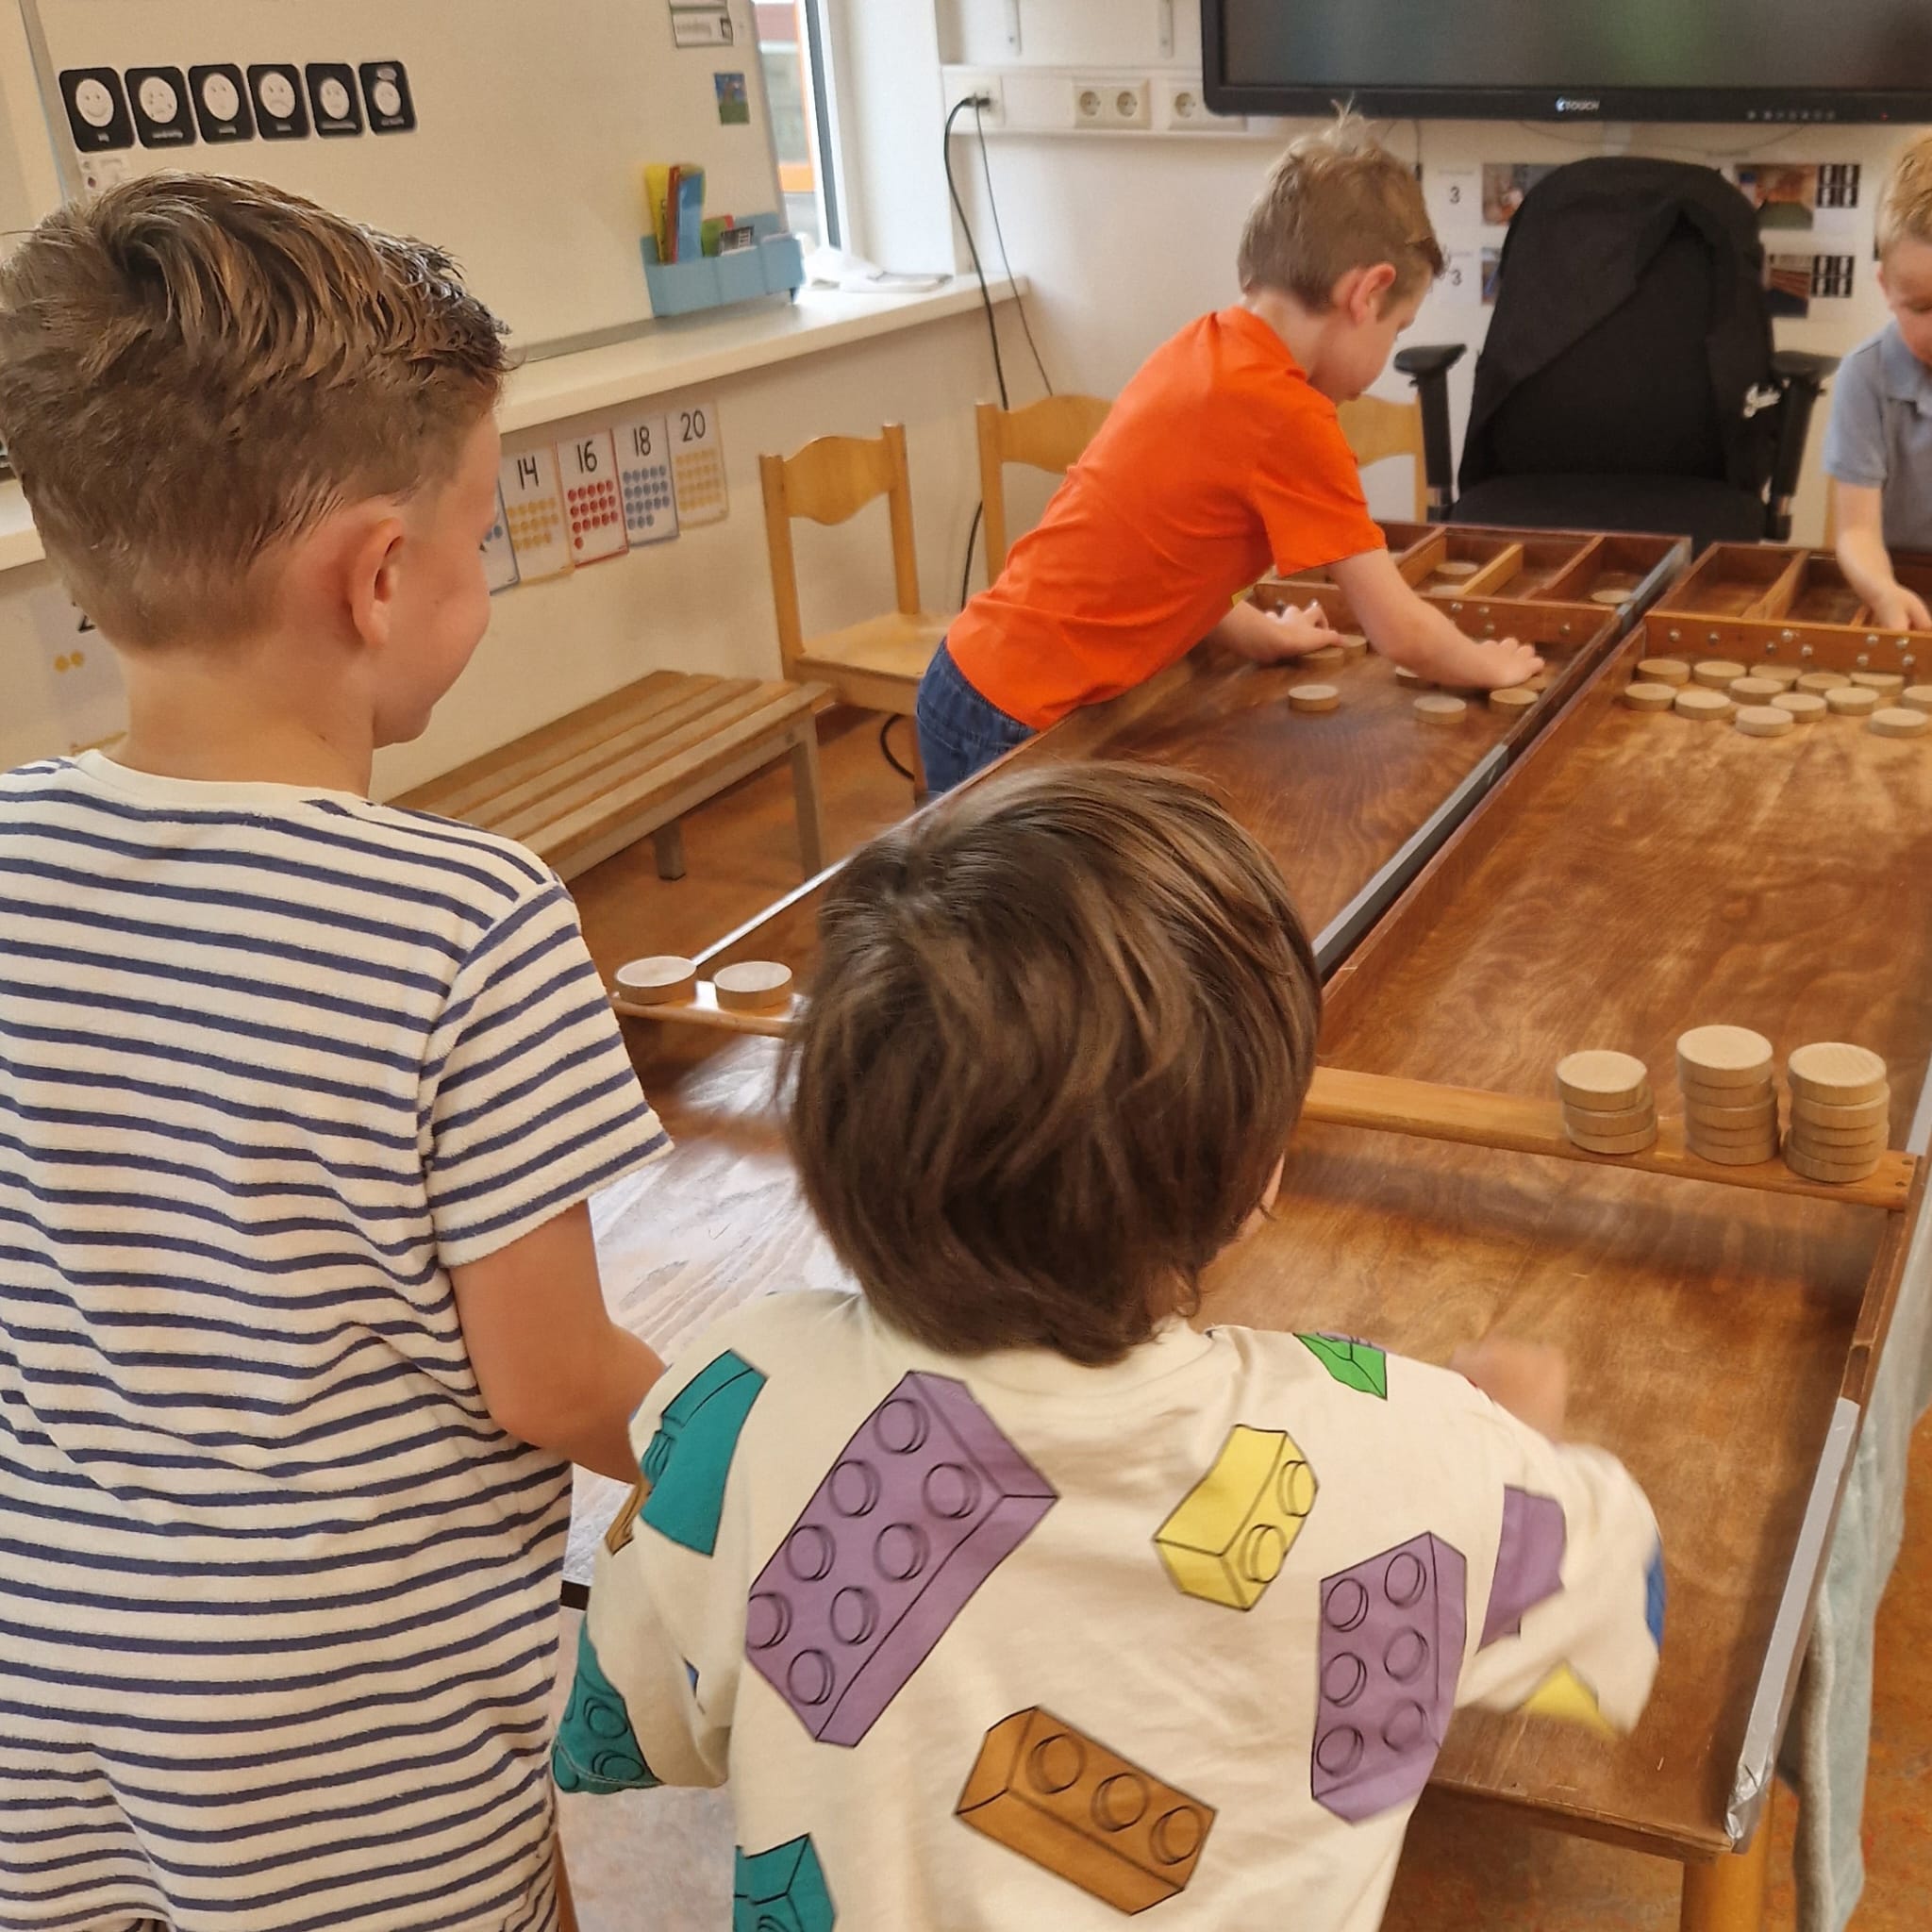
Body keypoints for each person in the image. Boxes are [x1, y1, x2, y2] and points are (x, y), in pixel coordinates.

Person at [558, 763, 1662, 1931]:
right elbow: (1613, 1608)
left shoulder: (738, 1403)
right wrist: (1512, 1435)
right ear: (1253, 1178)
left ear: (829, 1142)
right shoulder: (1410, 1452)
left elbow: (632, 1725)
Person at [0, 175, 670, 1930]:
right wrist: (757, 1431)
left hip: (41, 1668)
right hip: (344, 1720)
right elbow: (549, 1383)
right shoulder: (467, 919)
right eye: (481, 523)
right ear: (379, 577)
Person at [914, 116, 1542, 793]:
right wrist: (1487, 663)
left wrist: (1256, 634)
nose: (1387, 356)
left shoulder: (1204, 349)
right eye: (1399, 328)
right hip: (1013, 720)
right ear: (1365, 294)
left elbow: (1165, 558)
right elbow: (1398, 630)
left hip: (973, 678)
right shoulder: (1289, 416)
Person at [1826, 133, 1932, 631]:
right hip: (1901, 587)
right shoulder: (1865, 376)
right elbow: (1856, 530)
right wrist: (1882, 589)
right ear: (1886, 288)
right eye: (1923, 308)